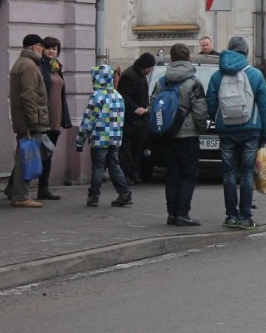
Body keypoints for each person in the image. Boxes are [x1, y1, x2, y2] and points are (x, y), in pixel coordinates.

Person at [206, 36, 266, 230]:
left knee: (228, 173)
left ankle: (231, 216)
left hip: (226, 130)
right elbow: (265, 107)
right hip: (251, 130)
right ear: (246, 52)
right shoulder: (255, 74)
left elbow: (211, 102)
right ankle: (245, 217)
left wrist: (219, 119)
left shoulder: (217, 75)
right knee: (246, 174)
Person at [151, 43, 208, 226]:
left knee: (172, 174)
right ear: (189, 58)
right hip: (187, 136)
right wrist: (201, 129)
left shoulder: (161, 81)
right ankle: (183, 213)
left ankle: (172, 213)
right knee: (188, 175)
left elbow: (153, 105)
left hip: (167, 134)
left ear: (172, 59)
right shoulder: (193, 83)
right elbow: (200, 110)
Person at [75, 64, 132, 208]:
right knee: (114, 165)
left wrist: (80, 140)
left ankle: (93, 197)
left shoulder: (97, 96)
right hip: (116, 138)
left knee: (98, 168)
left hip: (100, 138)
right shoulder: (117, 95)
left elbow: (88, 120)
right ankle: (125, 193)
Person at [5, 34, 50, 208]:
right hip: (31, 122)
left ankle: (13, 190)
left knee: (23, 157)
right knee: (28, 157)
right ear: (34, 47)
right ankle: (21, 196)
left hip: (26, 120)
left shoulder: (23, 63)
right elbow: (28, 96)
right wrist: (33, 122)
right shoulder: (29, 66)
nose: (43, 49)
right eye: (41, 46)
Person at [36, 36, 72, 200]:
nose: (52, 51)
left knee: (47, 153)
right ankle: (13, 185)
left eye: (55, 48)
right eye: (49, 48)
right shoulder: (39, 66)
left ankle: (43, 188)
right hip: (43, 117)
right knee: (32, 152)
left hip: (56, 118)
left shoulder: (56, 67)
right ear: (42, 49)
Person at [117, 52, 156, 184]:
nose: (151, 70)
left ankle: (135, 174)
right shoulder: (130, 76)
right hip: (130, 119)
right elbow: (123, 96)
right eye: (151, 68)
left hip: (139, 120)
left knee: (137, 147)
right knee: (128, 149)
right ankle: (127, 176)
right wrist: (135, 108)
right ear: (146, 67)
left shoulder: (140, 75)